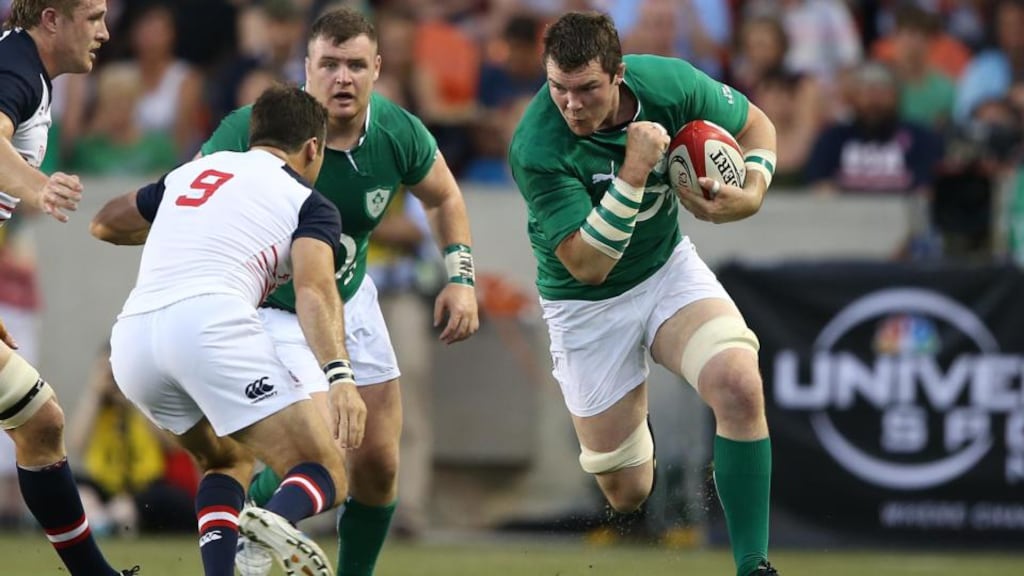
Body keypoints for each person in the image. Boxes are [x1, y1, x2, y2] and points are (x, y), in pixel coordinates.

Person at [197, 7, 480, 576]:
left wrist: (462, 278)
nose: (342, 78)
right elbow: (194, 198)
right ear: (307, 68)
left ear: (378, 68)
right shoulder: (254, 126)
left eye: (355, 65)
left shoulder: (397, 132)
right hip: (270, 308)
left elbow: (444, 196)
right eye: (329, 64)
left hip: (350, 297)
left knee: (376, 461)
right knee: (320, 443)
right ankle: (257, 524)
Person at [508, 12, 778, 576]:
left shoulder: (669, 84)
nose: (572, 104)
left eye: (587, 89)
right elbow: (587, 265)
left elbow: (757, 128)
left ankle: (753, 565)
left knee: (738, 382)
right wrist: (634, 170)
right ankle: (635, 418)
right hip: (586, 305)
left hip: (664, 270)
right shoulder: (535, 143)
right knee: (628, 490)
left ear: (619, 74)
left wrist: (750, 193)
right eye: (559, 87)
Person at [90, 85, 366, 576]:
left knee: (227, 461)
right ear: (312, 149)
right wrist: (340, 375)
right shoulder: (309, 201)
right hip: (206, 326)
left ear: (252, 136)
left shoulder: (193, 172)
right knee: (325, 470)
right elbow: (315, 291)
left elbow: (105, 223)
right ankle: (271, 522)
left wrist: (190, 221)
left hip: (131, 342)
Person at [0, 1, 139, 574]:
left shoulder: (23, 66)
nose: (106, 31)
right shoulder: (18, 70)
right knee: (41, 421)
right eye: (93, 16)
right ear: (51, 19)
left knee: (40, 422)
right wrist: (38, 187)